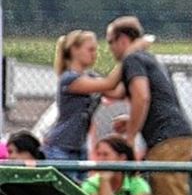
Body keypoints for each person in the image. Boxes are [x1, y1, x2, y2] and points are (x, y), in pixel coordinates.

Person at [105, 16, 192, 195]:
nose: (110, 49)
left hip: (168, 139)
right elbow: (146, 98)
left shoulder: (134, 59)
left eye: (110, 43)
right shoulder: (147, 59)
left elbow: (142, 96)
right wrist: (132, 121)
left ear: (123, 40)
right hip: (168, 137)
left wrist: (131, 136)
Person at [43, 29, 134, 182]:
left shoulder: (91, 77)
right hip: (60, 146)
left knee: (82, 192)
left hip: (79, 146)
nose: (94, 54)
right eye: (90, 49)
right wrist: (128, 55)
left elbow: (117, 92)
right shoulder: (69, 78)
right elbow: (109, 84)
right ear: (74, 50)